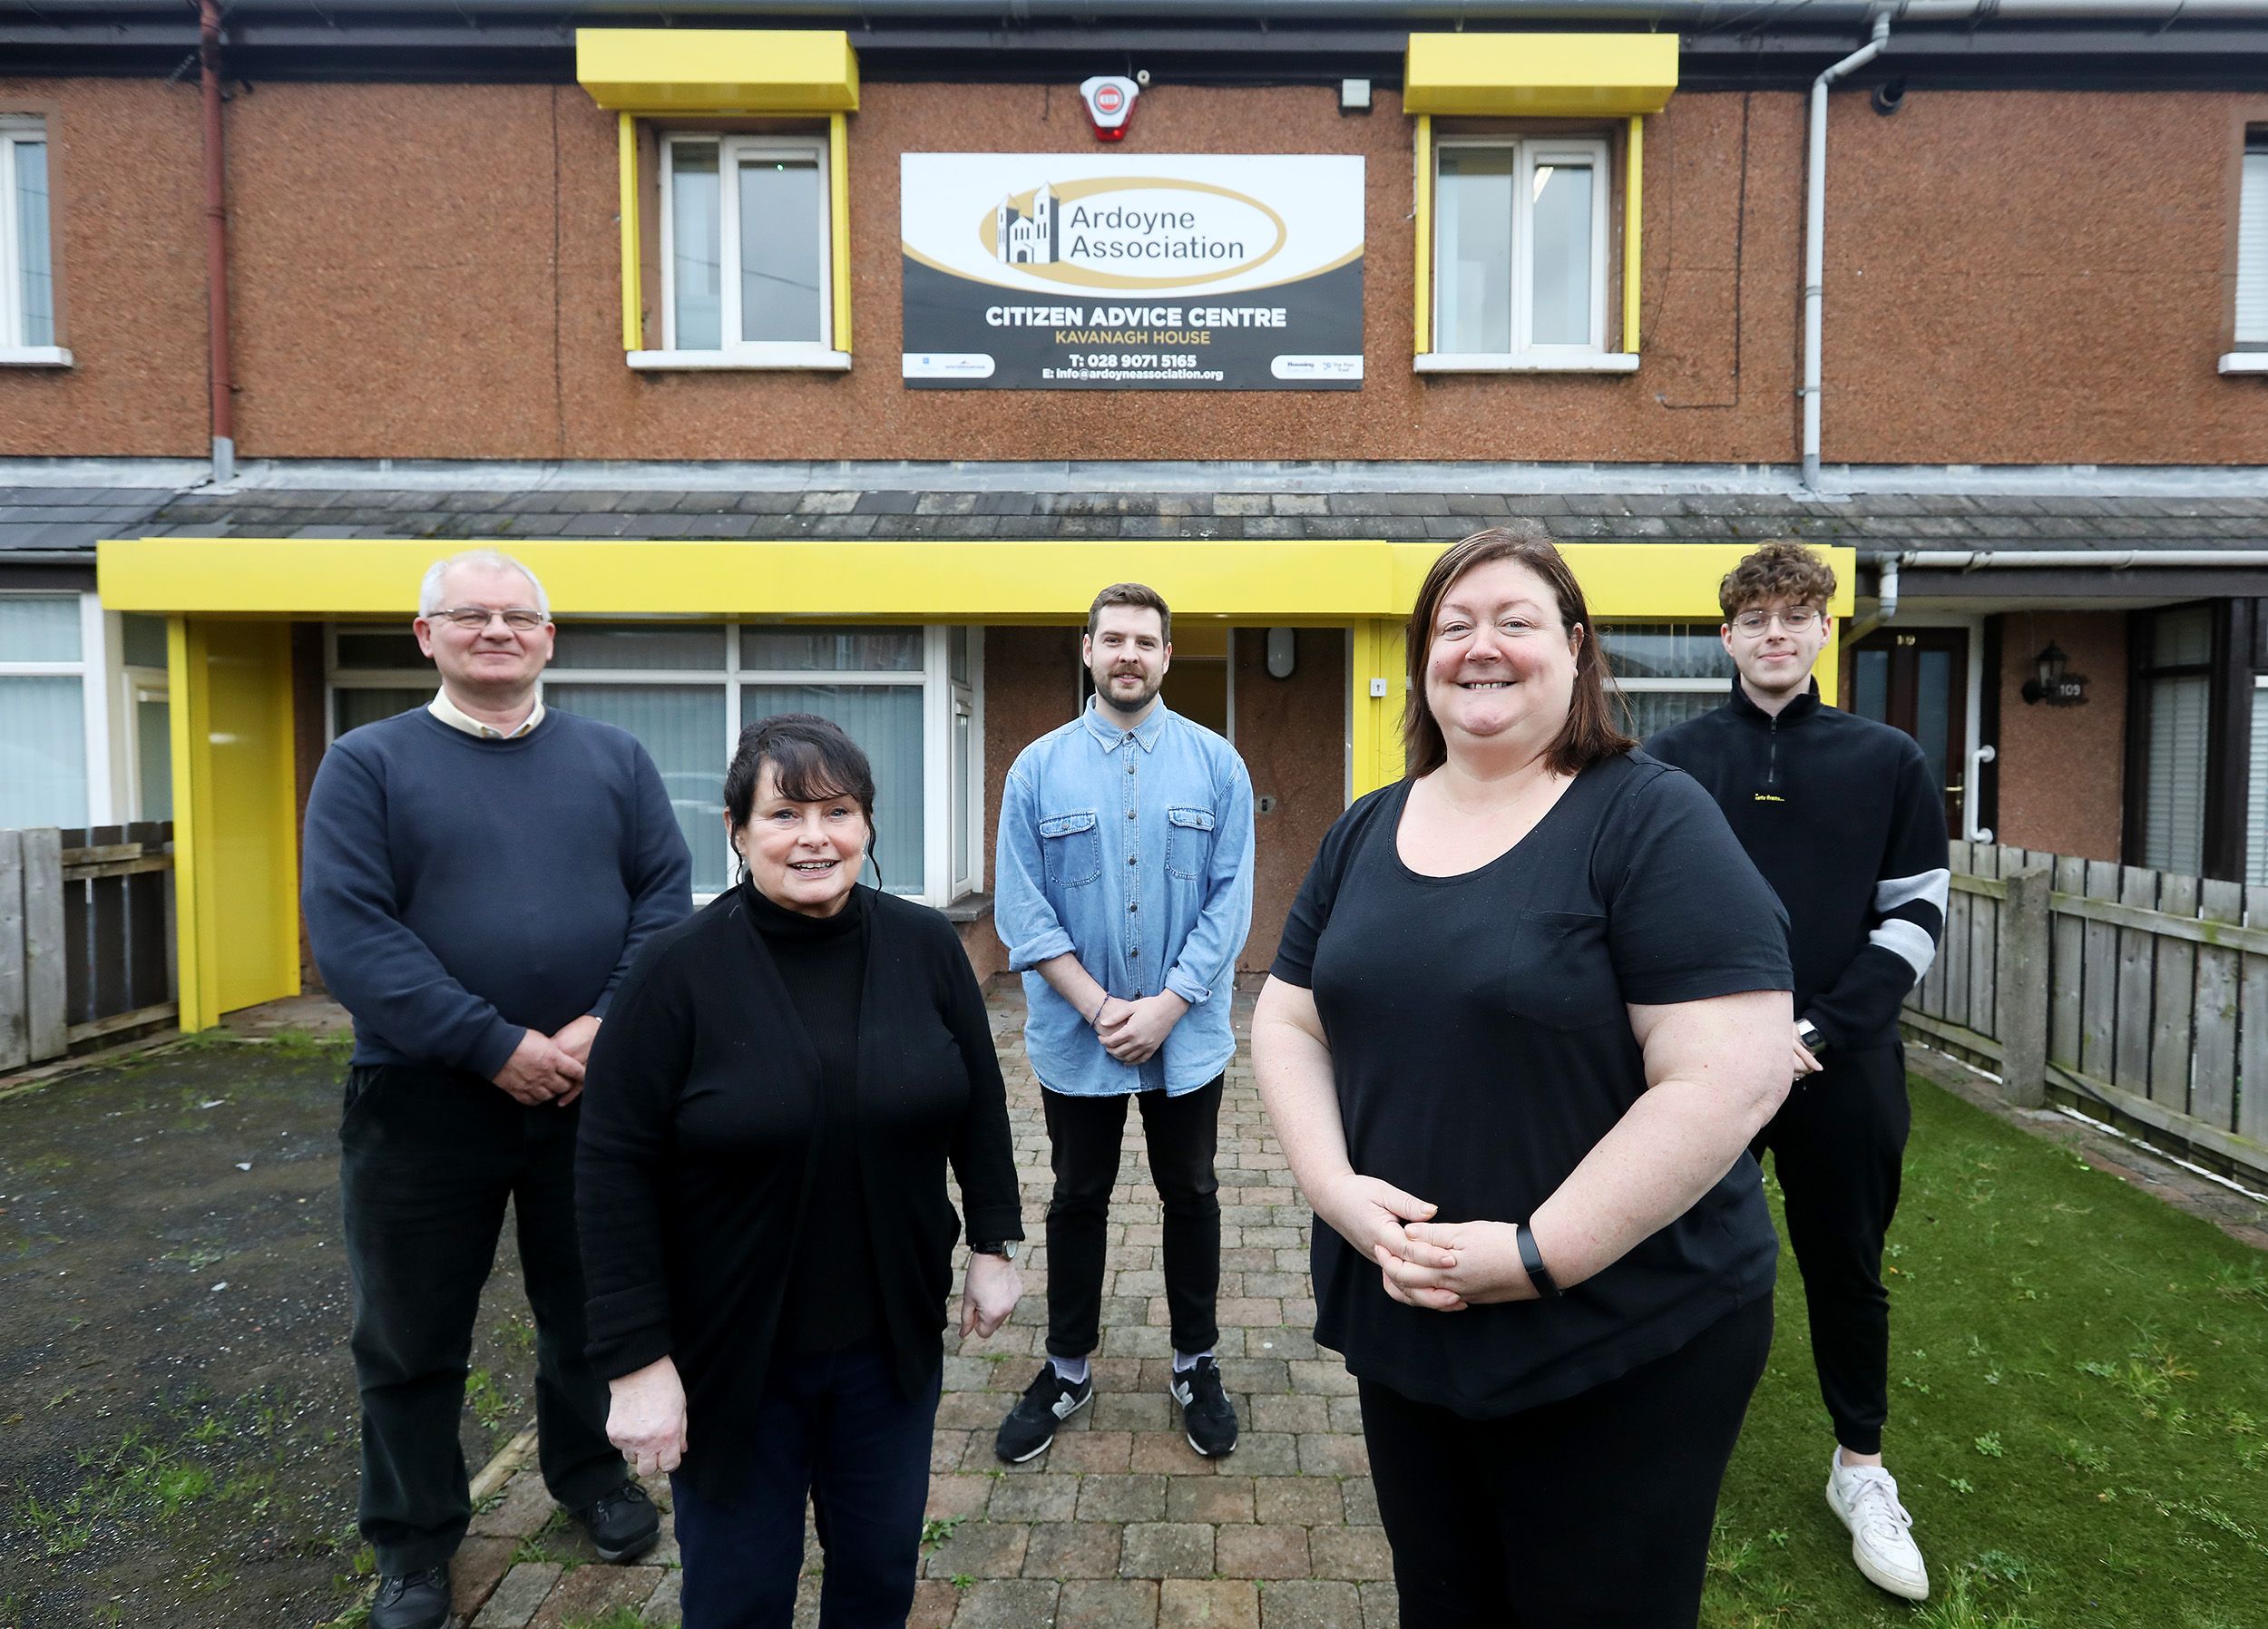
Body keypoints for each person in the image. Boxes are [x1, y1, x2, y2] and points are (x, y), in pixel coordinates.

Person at [1251, 527, 1796, 1628]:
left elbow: (1728, 1073)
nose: (1480, 646)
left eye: (1515, 620)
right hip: (1409, 1318)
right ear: (1421, 661)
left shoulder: (1648, 817)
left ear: (1577, 649)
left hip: (1614, 1334)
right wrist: (1338, 1192)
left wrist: (1543, 1251)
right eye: (1453, 625)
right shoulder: (1367, 826)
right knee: (1444, 1599)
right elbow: (1287, 1016)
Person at [301, 549, 693, 1629]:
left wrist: (599, 1027)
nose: (496, 629)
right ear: (424, 635)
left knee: (591, 1310)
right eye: (468, 614)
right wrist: (492, 1043)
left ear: (549, 637)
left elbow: (665, 899)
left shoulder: (613, 760)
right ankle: (417, 1540)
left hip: (589, 1096)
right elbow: (351, 936)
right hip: (421, 1102)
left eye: (518, 614)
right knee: (409, 1334)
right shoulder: (366, 765)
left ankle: (590, 1478)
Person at [577, 713, 1024, 1629]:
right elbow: (610, 1165)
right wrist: (635, 1360)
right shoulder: (674, 970)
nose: (814, 835)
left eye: (839, 809)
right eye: (785, 814)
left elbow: (978, 1102)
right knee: (738, 1594)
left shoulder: (925, 946)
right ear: (738, 832)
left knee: (876, 1576)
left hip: (888, 1343)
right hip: (734, 1354)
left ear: (866, 824)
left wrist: (992, 1240)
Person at [1646, 541, 1948, 1603]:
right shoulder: (1671, 760)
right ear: (1724, 634)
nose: (1775, 632)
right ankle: (1658, 1440)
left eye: (1795, 615)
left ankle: (1859, 1467)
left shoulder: (1888, 760)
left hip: (1844, 1064)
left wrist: (1813, 1031)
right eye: (1755, 616)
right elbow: (1646, 907)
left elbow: (1915, 915)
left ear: (1826, 630)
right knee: (1671, 1247)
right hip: (1703, 1064)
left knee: (1846, 1263)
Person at [991, 582, 1256, 1462]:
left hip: (1189, 1036)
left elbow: (1229, 903)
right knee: (1076, 1197)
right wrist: (1102, 1006)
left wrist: (1169, 1003)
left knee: (1193, 1192)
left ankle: (1196, 1361)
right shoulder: (1036, 769)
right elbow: (1023, 913)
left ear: (1168, 655)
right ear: (1088, 649)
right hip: (1078, 1037)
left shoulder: (1217, 763)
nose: (1129, 653)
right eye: (1114, 639)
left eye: (1146, 639)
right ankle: (1066, 1366)